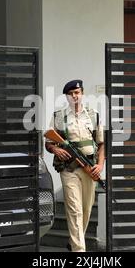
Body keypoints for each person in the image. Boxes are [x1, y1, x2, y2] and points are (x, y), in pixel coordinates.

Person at [45, 79, 105, 252]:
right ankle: (80, 251)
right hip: (68, 169)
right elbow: (49, 143)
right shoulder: (58, 116)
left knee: (86, 210)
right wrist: (55, 150)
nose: (74, 96)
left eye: (77, 93)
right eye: (71, 94)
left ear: (82, 94)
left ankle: (73, 244)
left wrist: (100, 165)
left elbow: (101, 144)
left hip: (89, 168)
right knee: (75, 210)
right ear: (66, 97)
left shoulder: (94, 115)